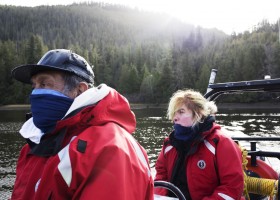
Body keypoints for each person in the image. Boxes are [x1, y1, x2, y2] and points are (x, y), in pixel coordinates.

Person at [10, 49, 154, 200]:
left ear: (80, 90)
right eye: (34, 86)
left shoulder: (109, 148)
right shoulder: (32, 147)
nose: (35, 93)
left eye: (45, 83)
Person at [154, 89, 244, 200]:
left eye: (181, 112)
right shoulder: (169, 144)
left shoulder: (221, 143)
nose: (175, 118)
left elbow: (232, 187)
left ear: (198, 114)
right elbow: (161, 175)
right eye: (174, 113)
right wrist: (160, 197)